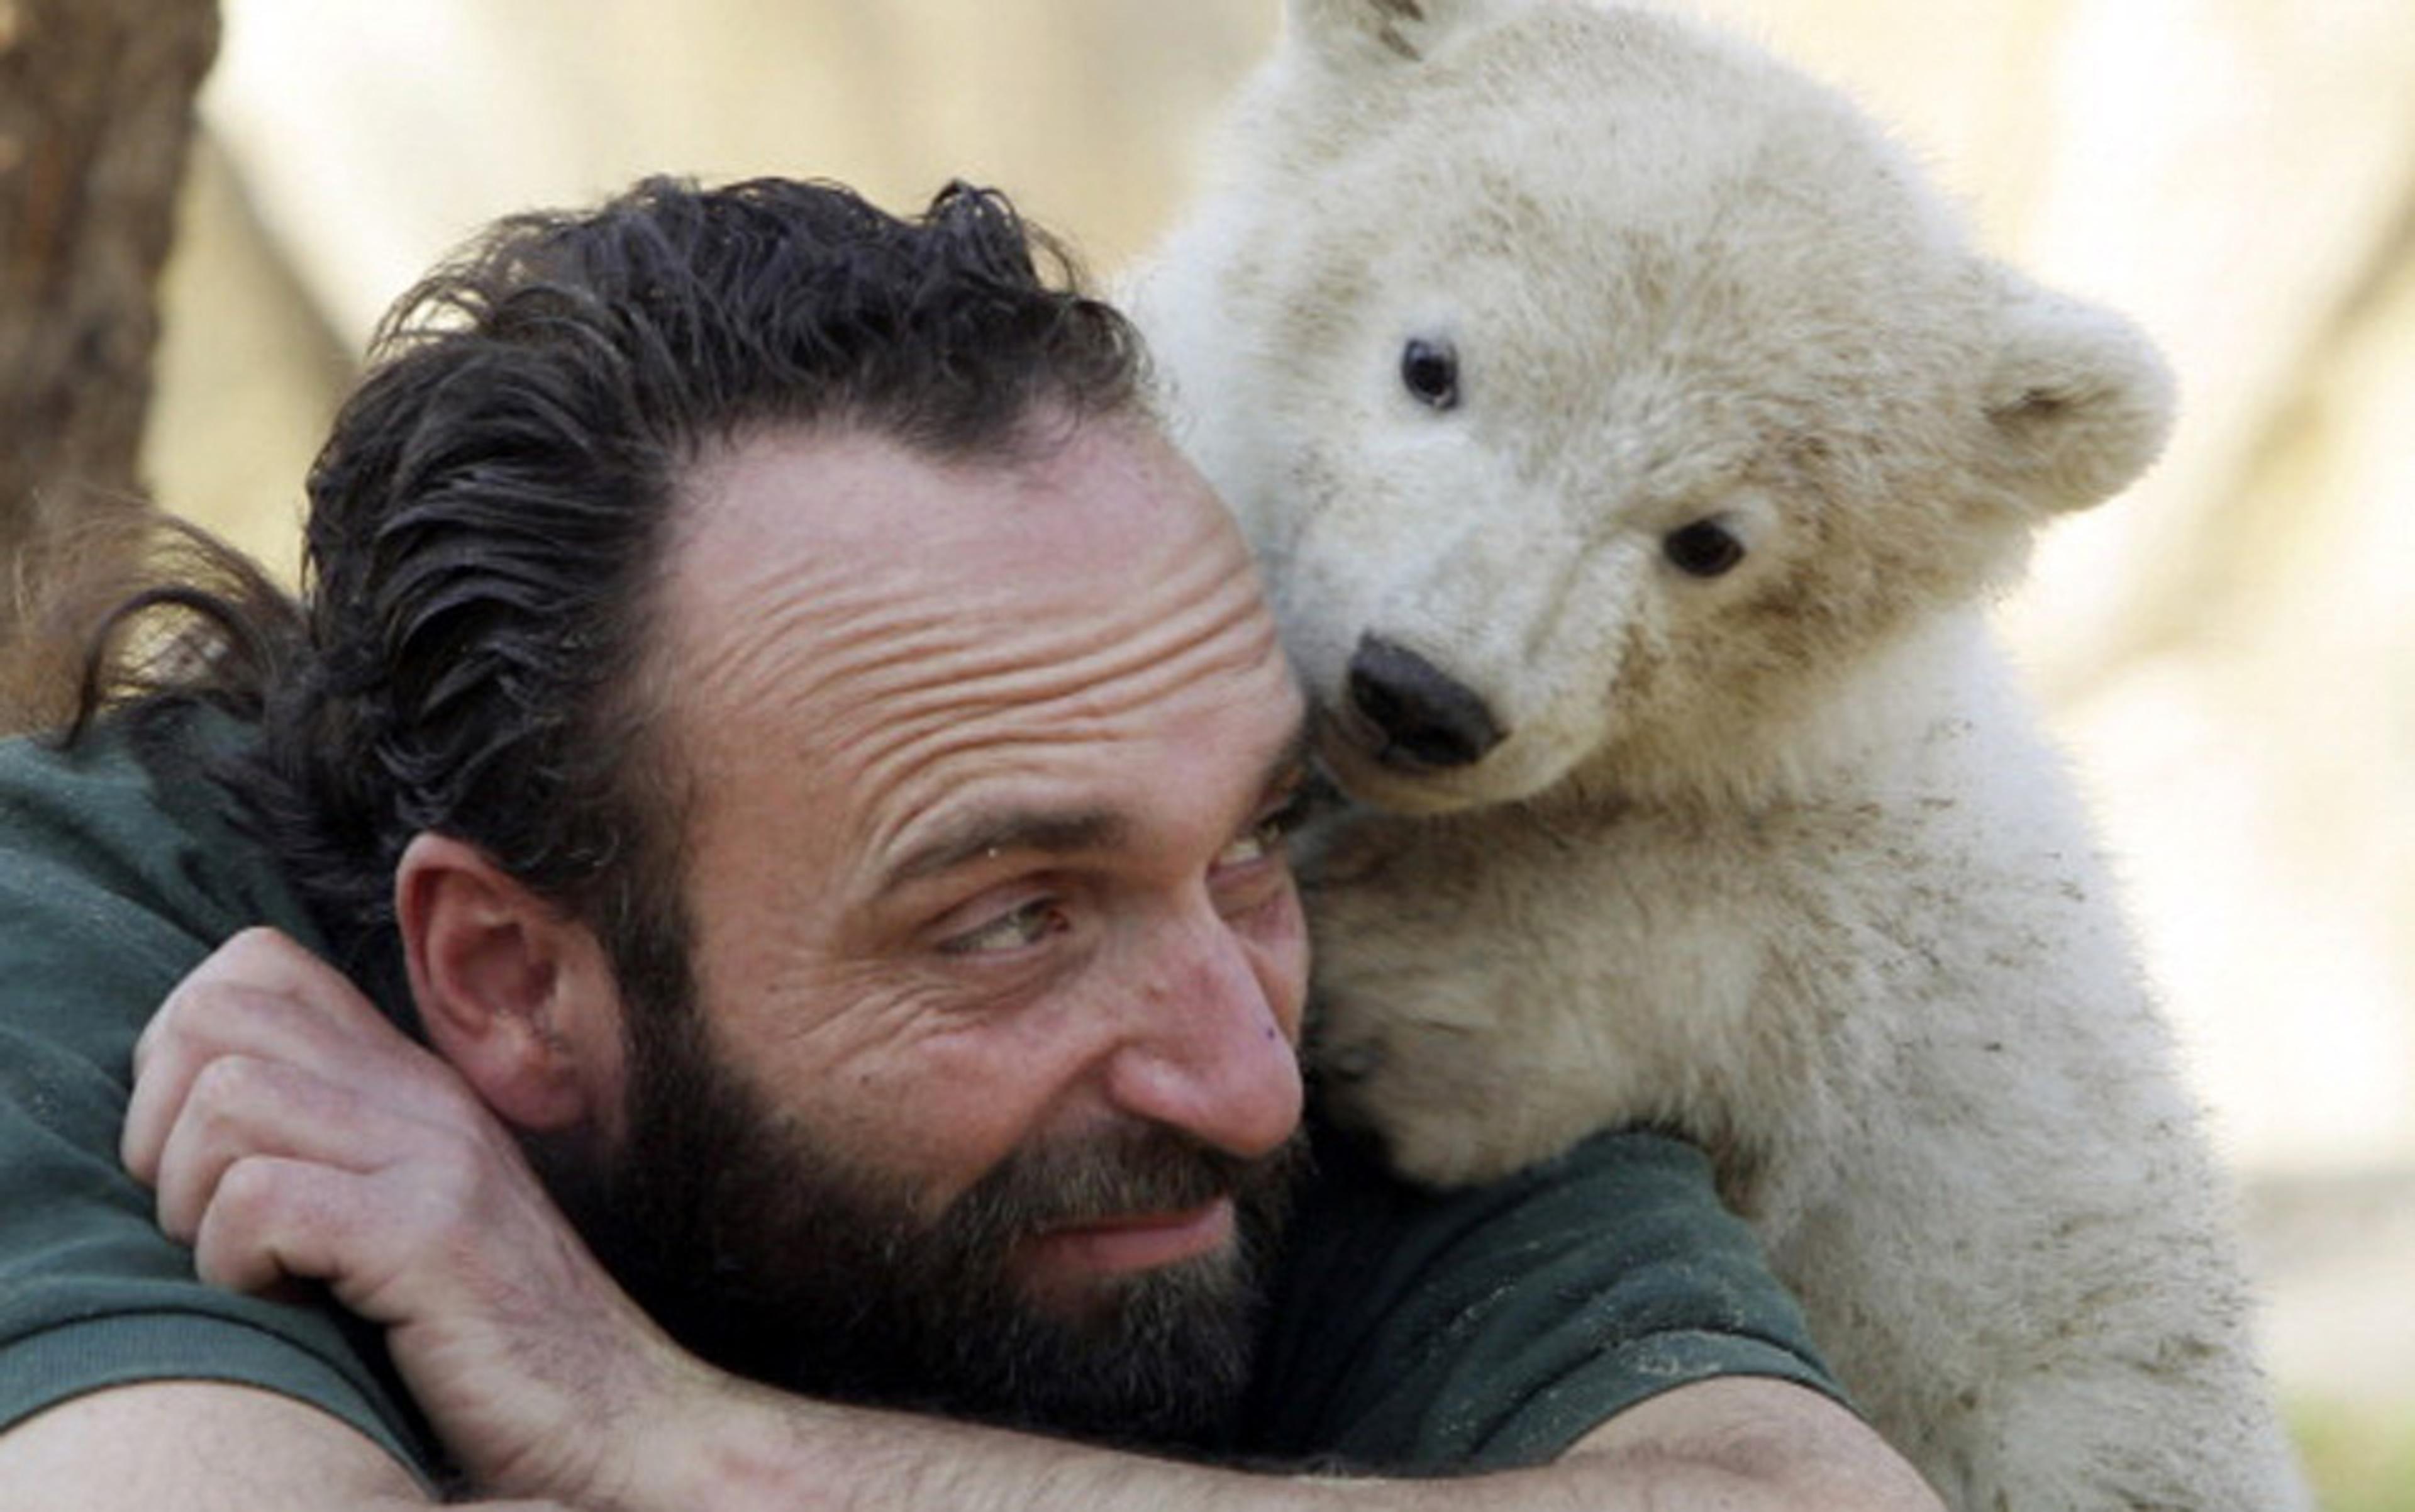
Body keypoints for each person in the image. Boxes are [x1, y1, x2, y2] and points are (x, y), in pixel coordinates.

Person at [0, 175, 1943, 1511]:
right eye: (1015, 916)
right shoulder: (104, 963)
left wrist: (681, 1442)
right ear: (510, 976)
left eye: (1252, 835)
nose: (1249, 1081)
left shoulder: (1359, 967)